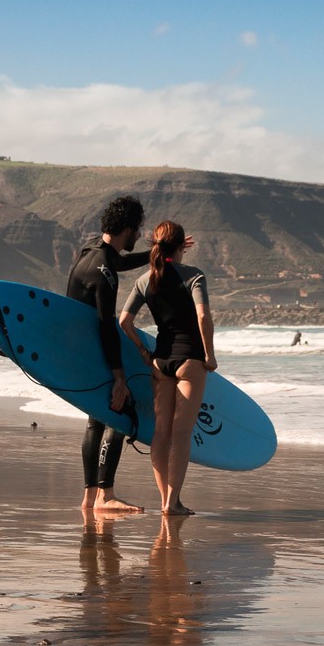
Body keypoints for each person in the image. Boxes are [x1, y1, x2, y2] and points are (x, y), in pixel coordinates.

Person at [119, 220, 215, 516]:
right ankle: (173, 502)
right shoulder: (194, 276)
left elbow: (124, 321)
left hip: (161, 362)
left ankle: (164, 499)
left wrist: (143, 351)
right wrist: (209, 355)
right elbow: (203, 317)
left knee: (161, 433)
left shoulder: (145, 280)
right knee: (181, 433)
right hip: (189, 360)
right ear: (179, 246)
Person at [67, 195, 152, 512]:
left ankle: (90, 496)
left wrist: (154, 254)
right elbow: (106, 325)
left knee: (95, 422)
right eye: (138, 230)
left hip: (81, 354)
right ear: (127, 228)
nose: (140, 236)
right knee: (120, 413)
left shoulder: (91, 252)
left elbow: (119, 261)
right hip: (98, 353)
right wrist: (119, 377)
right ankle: (105, 495)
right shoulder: (104, 273)